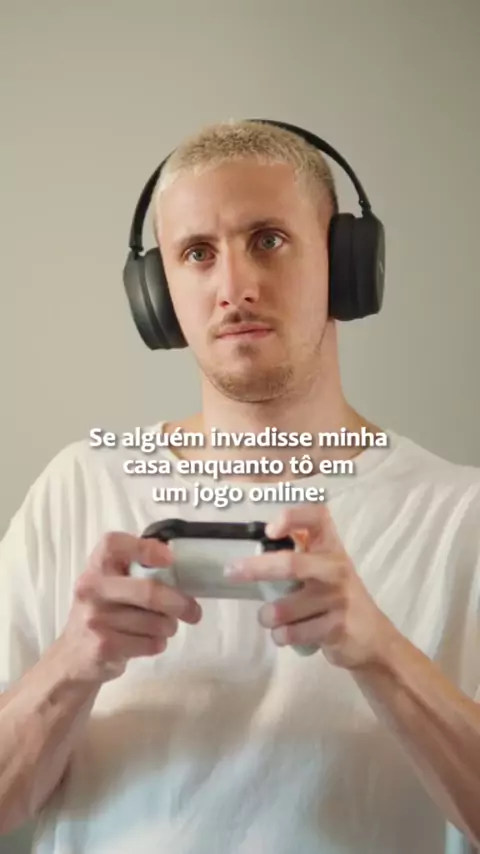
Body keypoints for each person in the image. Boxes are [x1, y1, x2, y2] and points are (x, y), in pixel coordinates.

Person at [1, 119, 480, 854]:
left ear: (346, 264)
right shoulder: (78, 488)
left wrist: (380, 651)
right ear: (157, 293)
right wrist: (71, 665)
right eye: (197, 253)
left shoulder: (459, 516)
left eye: (269, 240)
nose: (234, 289)